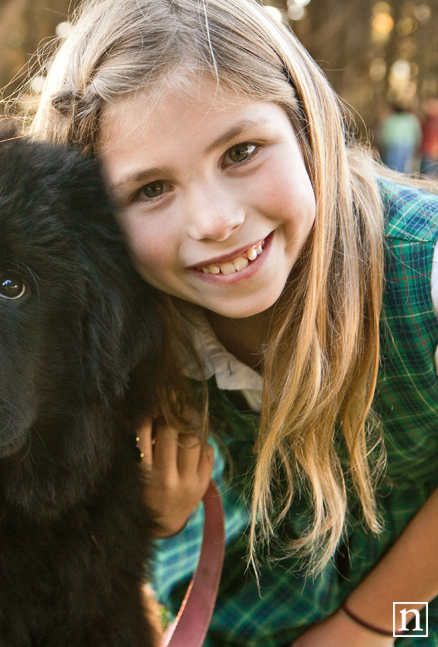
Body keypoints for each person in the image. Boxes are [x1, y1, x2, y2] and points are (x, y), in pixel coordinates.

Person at [30, 0, 438, 645]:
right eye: (150, 189)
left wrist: (369, 625)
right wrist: (146, 517)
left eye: (241, 151)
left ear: (305, 125)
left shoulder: (426, 271)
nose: (215, 221)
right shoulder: (107, 328)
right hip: (236, 617)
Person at [378, 103, 422, 174]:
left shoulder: (390, 119)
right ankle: (402, 179)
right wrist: (417, 144)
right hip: (408, 144)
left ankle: (393, 179)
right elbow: (417, 133)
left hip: (393, 145)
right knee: (405, 166)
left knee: (392, 166)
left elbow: (384, 135)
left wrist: (383, 145)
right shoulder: (411, 119)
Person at [420, 98, 438, 177]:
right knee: (424, 174)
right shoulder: (427, 120)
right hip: (425, 150)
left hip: (431, 152)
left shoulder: (435, 121)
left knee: (429, 175)